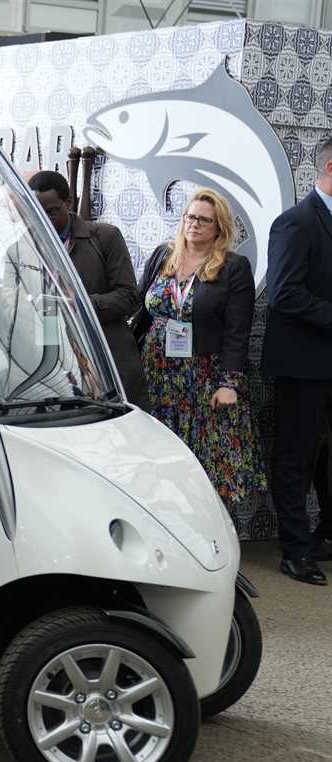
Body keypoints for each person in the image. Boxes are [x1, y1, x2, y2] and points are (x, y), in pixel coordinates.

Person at [133, 189, 265, 520]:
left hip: (205, 381)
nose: (194, 224)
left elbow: (238, 331)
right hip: (157, 378)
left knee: (205, 465)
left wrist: (229, 383)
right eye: (190, 217)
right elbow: (140, 310)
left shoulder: (233, 267)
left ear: (219, 227)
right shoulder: (163, 256)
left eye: (204, 220)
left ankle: (207, 536)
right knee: (158, 462)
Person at [263, 138, 332, 587]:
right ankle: (295, 551)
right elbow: (284, 293)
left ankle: (325, 535)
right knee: (296, 457)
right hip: (303, 366)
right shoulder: (295, 222)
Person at [28, 171, 146, 408]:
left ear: (69, 202)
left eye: (51, 212)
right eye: (37, 213)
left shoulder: (105, 237)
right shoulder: (21, 246)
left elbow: (130, 297)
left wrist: (81, 304)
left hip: (106, 362)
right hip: (52, 367)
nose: (45, 220)